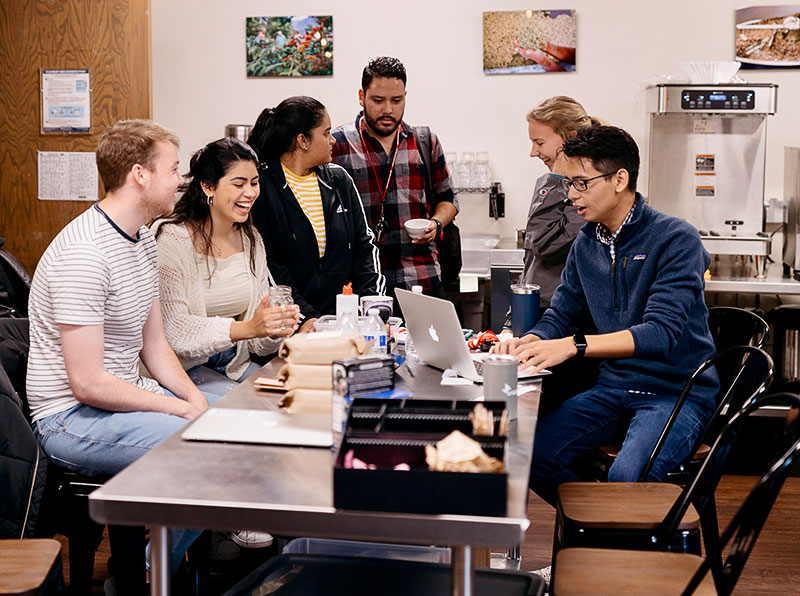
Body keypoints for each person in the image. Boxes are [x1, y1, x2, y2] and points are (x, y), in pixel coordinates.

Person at [493, 125, 718, 506]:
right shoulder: (587, 243)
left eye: (580, 183)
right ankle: (600, 531)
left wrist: (574, 346)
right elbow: (561, 316)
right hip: (613, 390)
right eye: (568, 184)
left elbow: (659, 334)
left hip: (674, 393)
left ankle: (615, 536)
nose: (571, 195)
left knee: (627, 477)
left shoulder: (676, 238)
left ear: (619, 179)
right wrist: (532, 339)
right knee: (525, 456)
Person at [27, 120, 210, 574]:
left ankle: (151, 564)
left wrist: (194, 398)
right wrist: (175, 411)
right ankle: (147, 571)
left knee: (233, 422)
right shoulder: (85, 253)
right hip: (68, 418)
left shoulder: (142, 239)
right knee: (205, 450)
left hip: (117, 400)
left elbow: (154, 345)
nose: (180, 180)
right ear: (139, 175)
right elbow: (88, 384)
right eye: (172, 169)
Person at [154, 137, 299, 392]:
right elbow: (175, 333)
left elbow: (255, 343)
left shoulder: (251, 239)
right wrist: (248, 327)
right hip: (181, 368)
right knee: (248, 407)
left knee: (291, 395)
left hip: (233, 362)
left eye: (254, 183)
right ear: (208, 187)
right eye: (238, 184)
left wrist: (273, 329)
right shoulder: (170, 239)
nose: (251, 193)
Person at [248, 96, 383, 332]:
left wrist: (370, 307)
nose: (332, 140)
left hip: (346, 325)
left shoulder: (339, 180)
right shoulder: (263, 186)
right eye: (326, 133)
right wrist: (305, 318)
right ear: (303, 141)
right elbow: (268, 264)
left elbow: (365, 247)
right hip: (292, 329)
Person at [331, 56, 458, 301]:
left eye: (396, 100)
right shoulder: (338, 144)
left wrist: (436, 223)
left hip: (421, 278)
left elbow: (448, 199)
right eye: (378, 100)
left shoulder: (424, 141)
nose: (388, 109)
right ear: (361, 97)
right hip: (361, 283)